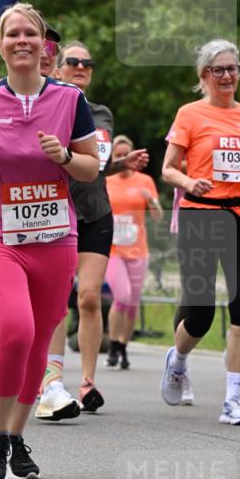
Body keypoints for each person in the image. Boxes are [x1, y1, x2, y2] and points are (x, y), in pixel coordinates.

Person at [0, 2, 99, 479]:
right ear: (0, 45)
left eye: (29, 34)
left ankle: (16, 436)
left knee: (40, 337)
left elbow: (91, 168)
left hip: (55, 237)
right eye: (12, 34)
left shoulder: (70, 100)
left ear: (43, 45)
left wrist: (64, 157)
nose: (21, 41)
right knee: (14, 328)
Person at [160, 39, 240, 425]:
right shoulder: (190, 114)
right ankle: (177, 361)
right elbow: (169, 169)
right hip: (201, 217)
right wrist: (188, 183)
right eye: (218, 70)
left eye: (232, 69)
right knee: (200, 315)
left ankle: (231, 400)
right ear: (204, 76)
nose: (227, 76)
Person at [35, 40, 150, 421]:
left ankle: (87, 382)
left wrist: (120, 165)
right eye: (74, 61)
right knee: (54, 298)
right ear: (58, 68)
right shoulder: (45, 105)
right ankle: (52, 379)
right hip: (53, 211)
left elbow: (93, 166)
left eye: (88, 63)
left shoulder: (100, 113)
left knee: (88, 297)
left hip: (96, 213)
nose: (82, 67)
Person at [104, 134, 163, 369]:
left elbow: (158, 218)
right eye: (118, 155)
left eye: (125, 154)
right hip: (112, 249)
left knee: (132, 302)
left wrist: (152, 201)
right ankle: (113, 343)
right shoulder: (106, 180)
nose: (122, 158)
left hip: (138, 250)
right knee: (122, 295)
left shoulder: (145, 181)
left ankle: (122, 346)